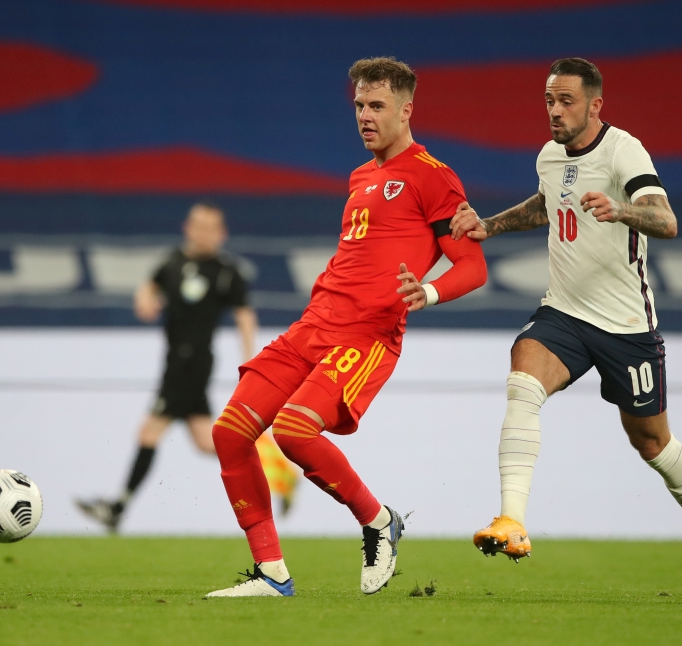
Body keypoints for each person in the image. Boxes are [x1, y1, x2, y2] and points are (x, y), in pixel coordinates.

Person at [450, 58, 682, 601]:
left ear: (595, 104)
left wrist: (623, 211)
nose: (555, 111)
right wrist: (491, 224)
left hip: (626, 325)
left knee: (651, 442)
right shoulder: (550, 156)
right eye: (549, 101)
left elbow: (666, 220)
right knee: (522, 380)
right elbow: (546, 204)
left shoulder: (623, 150)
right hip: (565, 312)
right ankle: (511, 520)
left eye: (567, 101)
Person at [204, 57, 488, 597]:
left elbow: (473, 266)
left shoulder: (433, 176)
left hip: (367, 336)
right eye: (359, 105)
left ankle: (378, 520)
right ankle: (272, 573)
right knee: (230, 432)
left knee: (293, 430)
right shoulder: (361, 176)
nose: (364, 116)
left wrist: (425, 292)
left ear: (406, 111)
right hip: (313, 325)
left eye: (376, 106)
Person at [76, 204, 299, 532]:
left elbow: (244, 315)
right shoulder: (173, 262)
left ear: (222, 234)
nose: (204, 233)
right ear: (187, 228)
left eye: (211, 227)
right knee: (207, 442)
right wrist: (145, 300)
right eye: (198, 225)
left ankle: (117, 507)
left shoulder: (226, 271)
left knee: (149, 432)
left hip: (192, 364)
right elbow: (149, 286)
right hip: (174, 361)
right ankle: (277, 471)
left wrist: (251, 358)